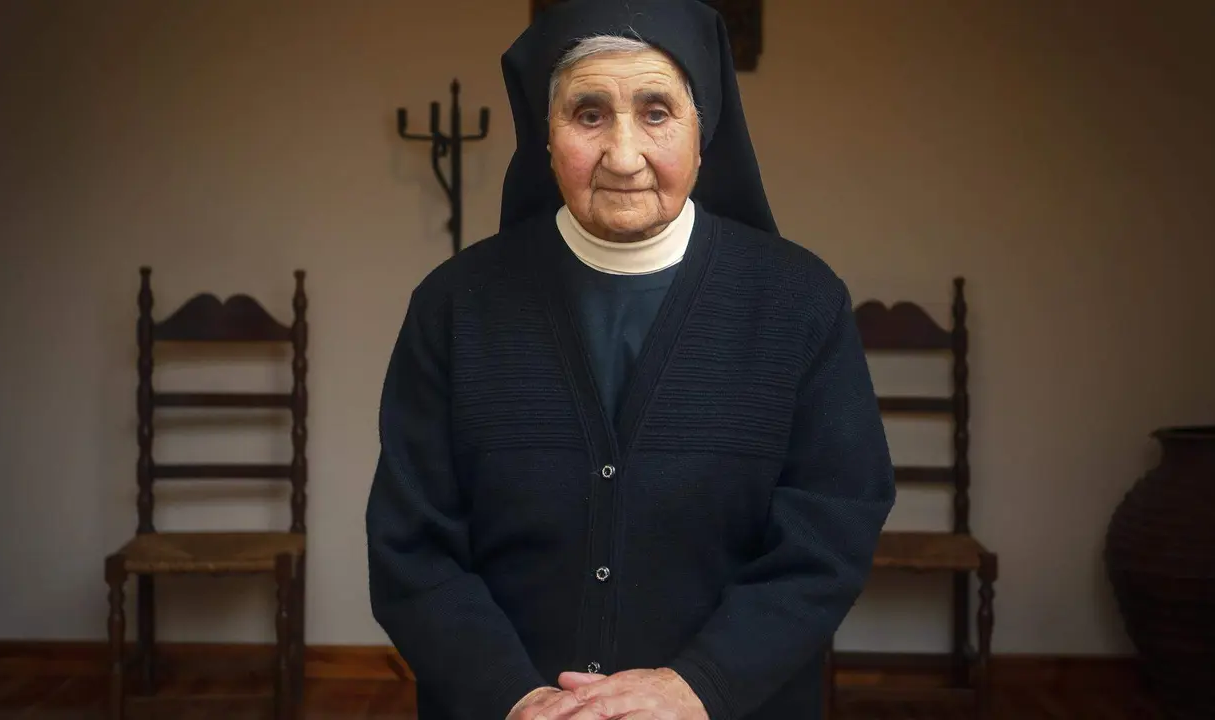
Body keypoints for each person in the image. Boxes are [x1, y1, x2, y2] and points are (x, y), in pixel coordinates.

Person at [365, 1, 896, 718]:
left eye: (655, 112)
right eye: (588, 114)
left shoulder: (801, 305)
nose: (622, 155)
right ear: (545, 139)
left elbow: (830, 532)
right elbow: (411, 548)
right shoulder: (454, 308)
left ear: (703, 133)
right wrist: (514, 698)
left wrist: (699, 685)